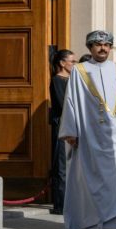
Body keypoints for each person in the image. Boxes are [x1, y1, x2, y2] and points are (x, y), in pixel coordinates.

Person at [59, 30, 116, 229]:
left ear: (111, 47)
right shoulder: (80, 70)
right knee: (90, 178)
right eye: (97, 44)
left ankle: (114, 223)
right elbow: (70, 101)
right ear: (90, 48)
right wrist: (71, 130)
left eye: (106, 44)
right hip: (89, 135)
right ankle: (92, 222)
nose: (102, 48)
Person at [49, 49, 76, 215]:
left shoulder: (73, 79)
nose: (74, 64)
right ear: (62, 63)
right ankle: (60, 204)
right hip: (63, 125)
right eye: (72, 61)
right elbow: (62, 103)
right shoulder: (57, 80)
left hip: (73, 125)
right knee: (61, 165)